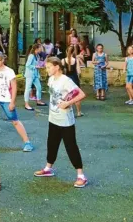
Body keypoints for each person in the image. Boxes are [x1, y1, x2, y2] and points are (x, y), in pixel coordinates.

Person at [34, 57, 88, 188]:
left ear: (57, 67)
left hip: (65, 121)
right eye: (46, 67)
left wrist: (68, 103)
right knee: (51, 144)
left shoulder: (66, 81)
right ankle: (48, 169)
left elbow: (81, 94)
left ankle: (81, 176)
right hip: (53, 118)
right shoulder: (51, 80)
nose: (46, 70)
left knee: (71, 147)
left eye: (48, 67)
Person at [0, 51, 34, 152]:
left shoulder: (9, 71)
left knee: (15, 121)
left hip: (6, 100)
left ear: (3, 60)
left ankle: (27, 142)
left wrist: (12, 102)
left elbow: (14, 87)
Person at [24, 44, 47, 110]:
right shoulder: (31, 56)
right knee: (27, 89)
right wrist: (35, 67)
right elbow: (27, 65)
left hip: (35, 74)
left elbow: (37, 63)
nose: (42, 49)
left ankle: (39, 101)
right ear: (37, 48)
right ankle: (26, 104)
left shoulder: (37, 55)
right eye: (41, 48)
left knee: (39, 87)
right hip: (30, 75)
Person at [62, 46, 83, 117]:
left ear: (66, 51)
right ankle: (79, 112)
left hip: (66, 80)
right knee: (77, 95)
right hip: (74, 79)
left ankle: (66, 112)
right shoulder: (76, 60)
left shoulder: (63, 60)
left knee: (66, 96)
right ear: (73, 52)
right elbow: (79, 71)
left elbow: (62, 72)